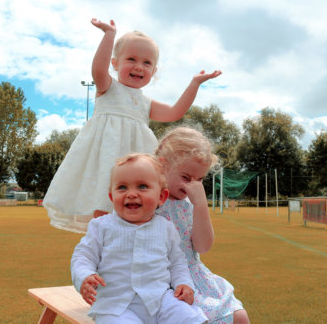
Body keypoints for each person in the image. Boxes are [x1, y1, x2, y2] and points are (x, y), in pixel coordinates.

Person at [43, 18, 222, 233]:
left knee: (143, 208)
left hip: (138, 159)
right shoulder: (108, 89)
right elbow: (98, 72)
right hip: (108, 158)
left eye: (147, 63)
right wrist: (109, 35)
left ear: (153, 71)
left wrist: (194, 84)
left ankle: (137, 248)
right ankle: (102, 245)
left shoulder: (146, 104)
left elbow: (176, 112)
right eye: (131, 59)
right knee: (104, 200)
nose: (139, 66)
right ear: (115, 63)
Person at [71, 153, 207, 324]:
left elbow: (177, 263)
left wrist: (185, 284)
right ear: (112, 197)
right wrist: (85, 275)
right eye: (122, 187)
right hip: (115, 306)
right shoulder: (101, 226)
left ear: (161, 197)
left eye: (142, 186)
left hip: (160, 299)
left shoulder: (166, 228)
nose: (131, 194)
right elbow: (83, 256)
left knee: (188, 317)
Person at [155, 127, 250, 324]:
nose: (193, 185)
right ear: (162, 166)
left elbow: (203, 246)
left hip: (195, 277)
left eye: (200, 179)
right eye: (186, 178)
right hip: (164, 282)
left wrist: (200, 205)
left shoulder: (189, 203)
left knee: (239, 316)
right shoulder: (150, 200)